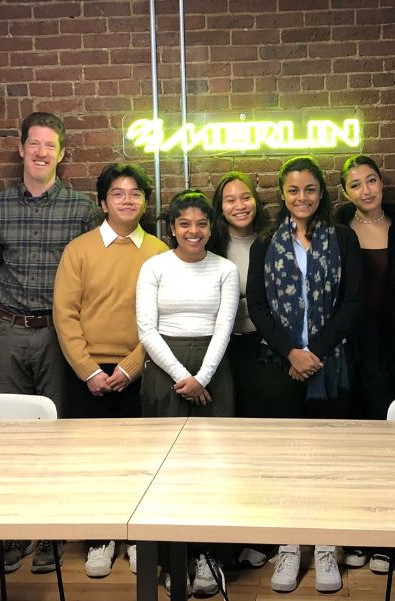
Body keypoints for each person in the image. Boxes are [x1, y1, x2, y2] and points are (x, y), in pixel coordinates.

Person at [0, 111, 101, 575]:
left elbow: (88, 277)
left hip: (58, 334)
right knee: (11, 437)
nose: (40, 152)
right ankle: (15, 534)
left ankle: (52, 534)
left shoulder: (82, 209)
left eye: (49, 145)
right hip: (9, 329)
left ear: (61, 153)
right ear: (20, 148)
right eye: (33, 143)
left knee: (58, 434)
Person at [247, 156, 362, 594]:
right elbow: (256, 306)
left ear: (322, 192)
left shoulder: (344, 239)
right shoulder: (265, 243)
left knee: (330, 461)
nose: (302, 198)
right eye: (293, 190)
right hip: (279, 364)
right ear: (282, 194)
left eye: (310, 189)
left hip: (331, 363)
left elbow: (354, 302)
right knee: (286, 461)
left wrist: (315, 351)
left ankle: (327, 543)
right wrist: (292, 351)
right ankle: (291, 543)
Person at [53, 163, 167, 578]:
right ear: (102, 202)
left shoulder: (158, 252)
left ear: (145, 202)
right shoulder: (79, 250)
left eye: (135, 193)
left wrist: (132, 366)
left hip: (140, 367)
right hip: (87, 372)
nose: (127, 200)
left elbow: (161, 319)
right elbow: (65, 315)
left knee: (141, 459)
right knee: (93, 460)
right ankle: (100, 536)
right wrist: (88, 370)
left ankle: (137, 536)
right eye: (117, 193)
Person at [135, 190, 238, 597]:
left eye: (201, 223)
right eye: (184, 224)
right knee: (166, 471)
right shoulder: (153, 266)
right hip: (165, 370)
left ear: (211, 228)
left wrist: (204, 377)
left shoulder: (225, 269)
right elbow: (146, 329)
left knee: (214, 469)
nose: (193, 231)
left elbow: (224, 327)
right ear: (172, 228)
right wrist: (184, 377)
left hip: (214, 369)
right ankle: (167, 558)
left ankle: (210, 558)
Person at [334, 155, 395, 573]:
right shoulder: (335, 231)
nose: (366, 190)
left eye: (371, 180)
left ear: (381, 184)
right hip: (348, 349)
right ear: (345, 193)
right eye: (355, 185)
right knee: (355, 446)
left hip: (393, 351)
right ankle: (358, 533)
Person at [205, 171, 275, 573]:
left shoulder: (272, 240)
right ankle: (230, 536)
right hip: (221, 350)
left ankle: (262, 537)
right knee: (230, 443)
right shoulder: (209, 243)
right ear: (220, 208)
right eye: (229, 199)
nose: (239, 205)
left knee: (262, 440)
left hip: (263, 350)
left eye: (245, 197)